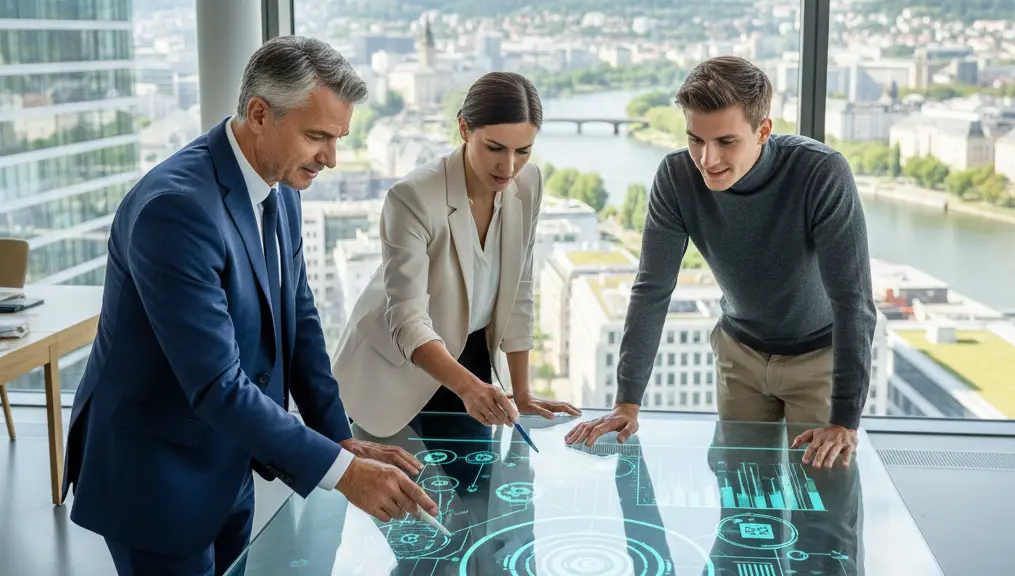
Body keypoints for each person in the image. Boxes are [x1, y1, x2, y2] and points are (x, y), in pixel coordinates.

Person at [62, 36, 438, 576]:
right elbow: (217, 384)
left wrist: (340, 438)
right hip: (157, 477)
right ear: (260, 114)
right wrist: (342, 473)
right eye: (317, 137)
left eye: (338, 138)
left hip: (228, 459)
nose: (330, 158)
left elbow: (300, 321)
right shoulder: (176, 210)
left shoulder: (279, 186)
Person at [566, 56, 877, 470]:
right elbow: (652, 289)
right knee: (741, 496)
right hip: (739, 357)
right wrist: (627, 402)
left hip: (820, 359)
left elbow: (853, 301)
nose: (707, 159)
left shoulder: (821, 172)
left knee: (823, 506)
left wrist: (844, 420)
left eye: (726, 142)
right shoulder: (676, 177)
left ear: (763, 130)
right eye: (696, 139)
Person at [331, 72, 580, 440]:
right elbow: (407, 320)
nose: (508, 167)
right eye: (495, 148)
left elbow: (520, 291)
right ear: (464, 129)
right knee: (405, 495)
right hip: (396, 366)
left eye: (523, 151)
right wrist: (467, 387)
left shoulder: (529, 185)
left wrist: (523, 392)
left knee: (478, 492)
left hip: (472, 356)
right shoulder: (413, 197)